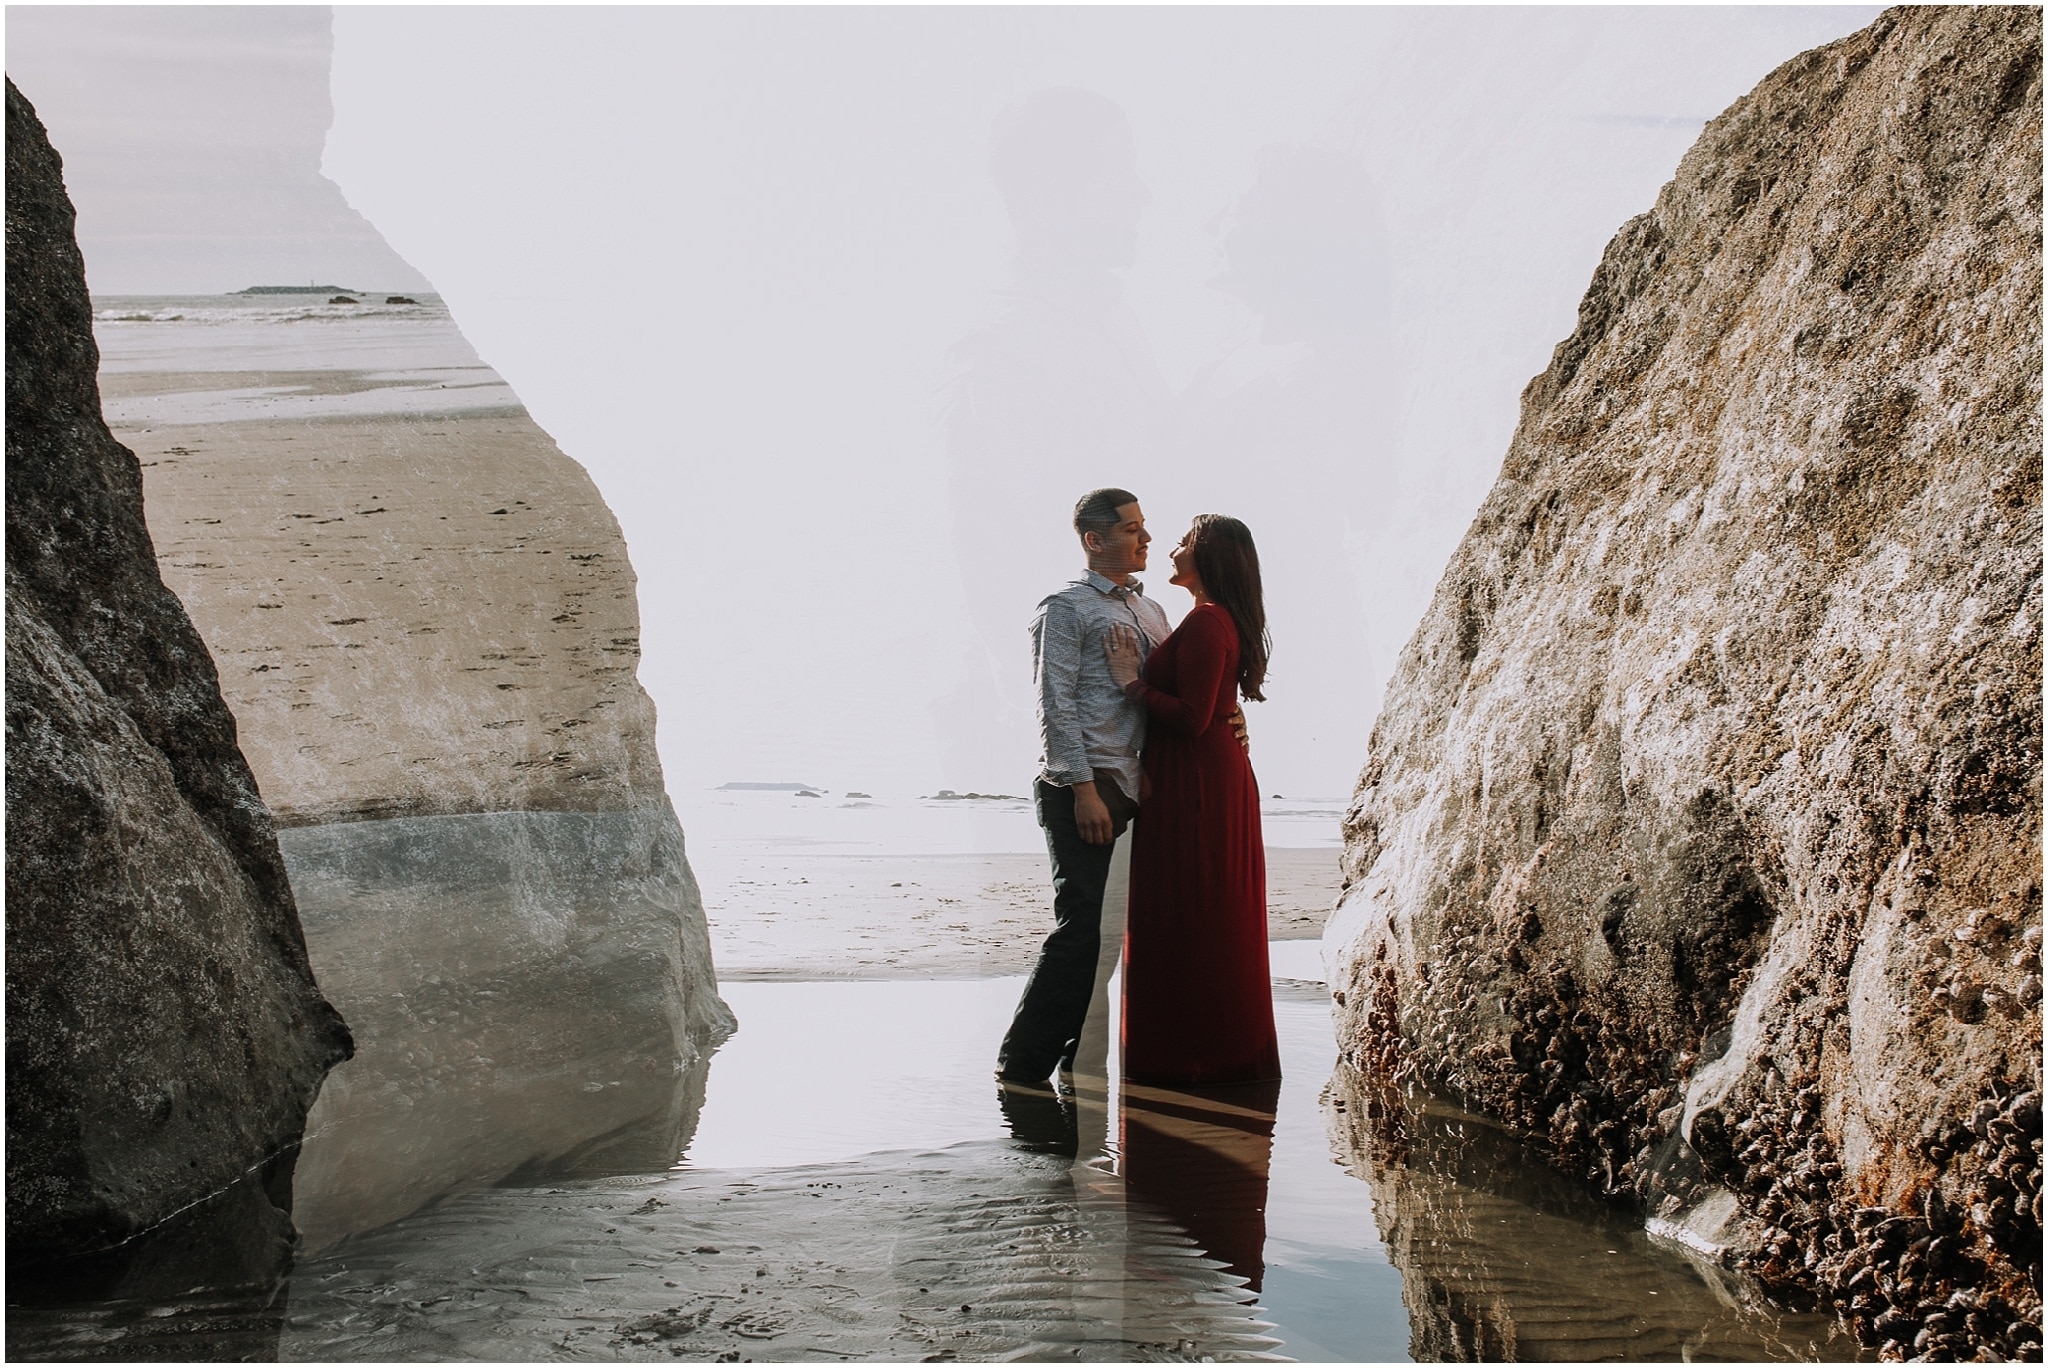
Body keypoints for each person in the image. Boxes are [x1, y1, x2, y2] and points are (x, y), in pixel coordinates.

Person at [995, 488, 1170, 1086]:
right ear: (1094, 541)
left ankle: (1079, 1063)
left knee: (1111, 937)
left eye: (1145, 527)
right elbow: (1054, 703)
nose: (1145, 538)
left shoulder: (1151, 612)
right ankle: (1020, 1068)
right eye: (1131, 529)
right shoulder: (1064, 608)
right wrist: (1083, 789)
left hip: (1135, 790)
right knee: (1079, 932)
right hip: (1084, 790)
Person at [1105, 514, 1281, 1085]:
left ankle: (1193, 1059)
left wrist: (1132, 682)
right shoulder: (1206, 619)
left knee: (1193, 911)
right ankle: (1204, 1052)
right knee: (1198, 913)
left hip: (1197, 785)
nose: (1171, 549)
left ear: (1207, 557)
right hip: (1199, 777)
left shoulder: (1208, 622)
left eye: (1183, 542)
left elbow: (1193, 717)